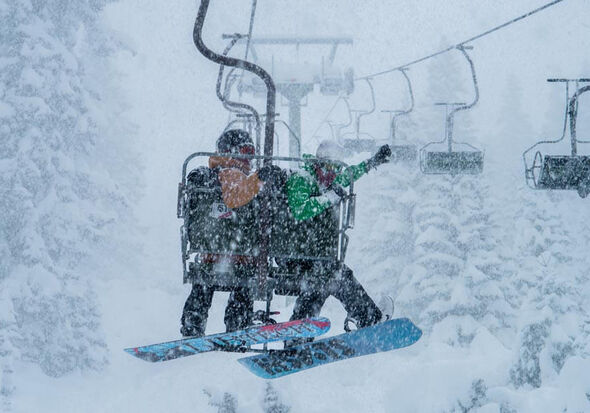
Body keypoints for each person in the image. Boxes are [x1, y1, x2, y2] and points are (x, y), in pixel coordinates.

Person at [180, 129, 282, 337]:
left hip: (215, 254)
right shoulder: (230, 173)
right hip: (238, 254)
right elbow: (234, 197)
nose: (250, 159)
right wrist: (260, 179)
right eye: (246, 152)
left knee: (204, 289)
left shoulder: (220, 177)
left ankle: (193, 326)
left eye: (251, 153)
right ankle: (236, 328)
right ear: (232, 153)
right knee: (241, 290)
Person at [283, 140, 393, 331]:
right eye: (328, 167)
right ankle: (369, 318)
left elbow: (350, 175)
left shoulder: (329, 182)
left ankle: (299, 332)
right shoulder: (302, 179)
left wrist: (373, 161)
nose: (332, 173)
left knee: (321, 283)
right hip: (296, 253)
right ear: (318, 163)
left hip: (316, 255)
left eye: (335, 169)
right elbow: (299, 210)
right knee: (336, 276)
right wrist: (329, 198)